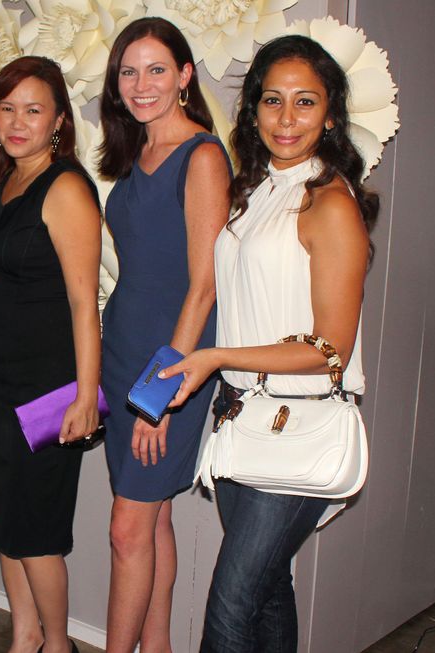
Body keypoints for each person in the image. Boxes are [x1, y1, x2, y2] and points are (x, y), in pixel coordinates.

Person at [159, 35, 378, 652]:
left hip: (296, 420)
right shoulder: (255, 191)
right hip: (242, 415)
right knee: (267, 588)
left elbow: (330, 348)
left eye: (305, 102)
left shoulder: (330, 203)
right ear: (253, 110)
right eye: (273, 101)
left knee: (230, 605)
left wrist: (218, 356)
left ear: (331, 112)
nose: (287, 119)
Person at [0, 55, 102, 653]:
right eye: (7, 108)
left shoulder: (64, 187)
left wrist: (86, 397)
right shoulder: (2, 181)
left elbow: (85, 303)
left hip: (52, 387)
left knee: (36, 530)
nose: (18, 121)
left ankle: (58, 643)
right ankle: (24, 636)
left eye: (33, 110)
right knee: (6, 519)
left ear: (58, 119)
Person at [95, 17, 231, 653]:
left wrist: (160, 394)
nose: (141, 83)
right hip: (123, 351)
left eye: (156, 69)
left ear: (184, 76)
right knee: (153, 521)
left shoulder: (202, 156)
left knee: (127, 528)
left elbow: (202, 288)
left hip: (170, 366)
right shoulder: (133, 155)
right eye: (129, 70)